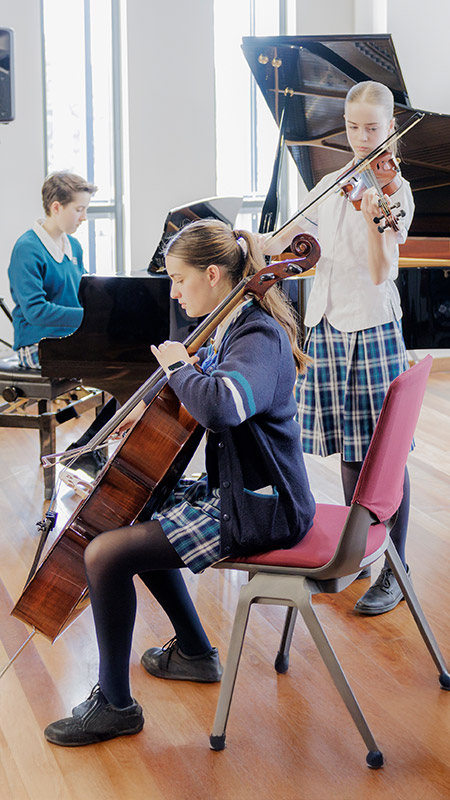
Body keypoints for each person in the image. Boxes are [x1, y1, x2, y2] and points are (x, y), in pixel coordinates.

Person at [43, 218, 316, 747]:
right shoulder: (231, 324)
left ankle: (115, 705)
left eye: (179, 279)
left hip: (264, 508)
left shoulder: (256, 334)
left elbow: (223, 406)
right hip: (240, 492)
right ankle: (194, 651)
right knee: (136, 515)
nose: (173, 291)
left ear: (213, 274)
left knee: (104, 553)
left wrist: (176, 368)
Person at [264, 80, 414, 616]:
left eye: (372, 128)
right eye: (353, 127)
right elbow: (292, 240)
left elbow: (380, 272)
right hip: (327, 326)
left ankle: (397, 565)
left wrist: (375, 211)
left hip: (371, 327)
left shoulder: (396, 193)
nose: (361, 138)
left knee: (385, 455)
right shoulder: (330, 183)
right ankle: (360, 553)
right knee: (351, 450)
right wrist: (256, 244)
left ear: (391, 127)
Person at [7, 170, 112, 477]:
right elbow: (37, 312)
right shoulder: (27, 248)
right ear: (56, 207)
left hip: (68, 340)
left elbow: (85, 293)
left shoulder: (72, 246)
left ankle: (87, 446)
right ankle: (86, 449)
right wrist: (90, 318)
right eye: (79, 209)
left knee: (132, 365)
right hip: (36, 346)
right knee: (123, 367)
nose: (84, 217)